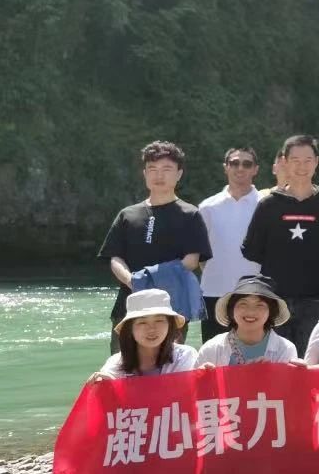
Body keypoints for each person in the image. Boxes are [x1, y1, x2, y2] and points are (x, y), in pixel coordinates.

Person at [98, 141, 211, 350]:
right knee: (122, 364)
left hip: (171, 308)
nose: (159, 175)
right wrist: (133, 282)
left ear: (179, 174)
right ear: (144, 173)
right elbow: (115, 257)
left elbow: (192, 260)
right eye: (152, 169)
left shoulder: (190, 214)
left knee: (168, 365)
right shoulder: (127, 214)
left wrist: (151, 281)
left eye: (167, 169)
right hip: (128, 306)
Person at [241, 134, 319, 356]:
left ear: (316, 162)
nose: (302, 166)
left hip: (315, 299)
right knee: (273, 360)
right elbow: (251, 250)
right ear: (284, 162)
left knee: (310, 360)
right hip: (274, 299)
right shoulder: (268, 205)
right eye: (295, 160)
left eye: (308, 160)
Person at [197, 147, 261, 344]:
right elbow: (201, 255)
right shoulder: (207, 207)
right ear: (225, 167)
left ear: (255, 169)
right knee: (214, 354)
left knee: (256, 355)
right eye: (234, 163)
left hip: (257, 295)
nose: (240, 168)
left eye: (247, 164)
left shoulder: (266, 205)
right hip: (214, 293)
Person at [90, 290, 198, 381]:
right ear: (130, 328)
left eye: (159, 320)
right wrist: (106, 384)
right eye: (142, 322)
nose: (151, 329)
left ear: (170, 325)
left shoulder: (185, 356)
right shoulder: (116, 362)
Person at [196, 274, 298, 366]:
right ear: (232, 309)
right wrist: (202, 376)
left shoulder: (285, 349)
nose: (251, 311)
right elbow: (194, 380)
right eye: (243, 304)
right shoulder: (212, 348)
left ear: (271, 311)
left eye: (260, 305)